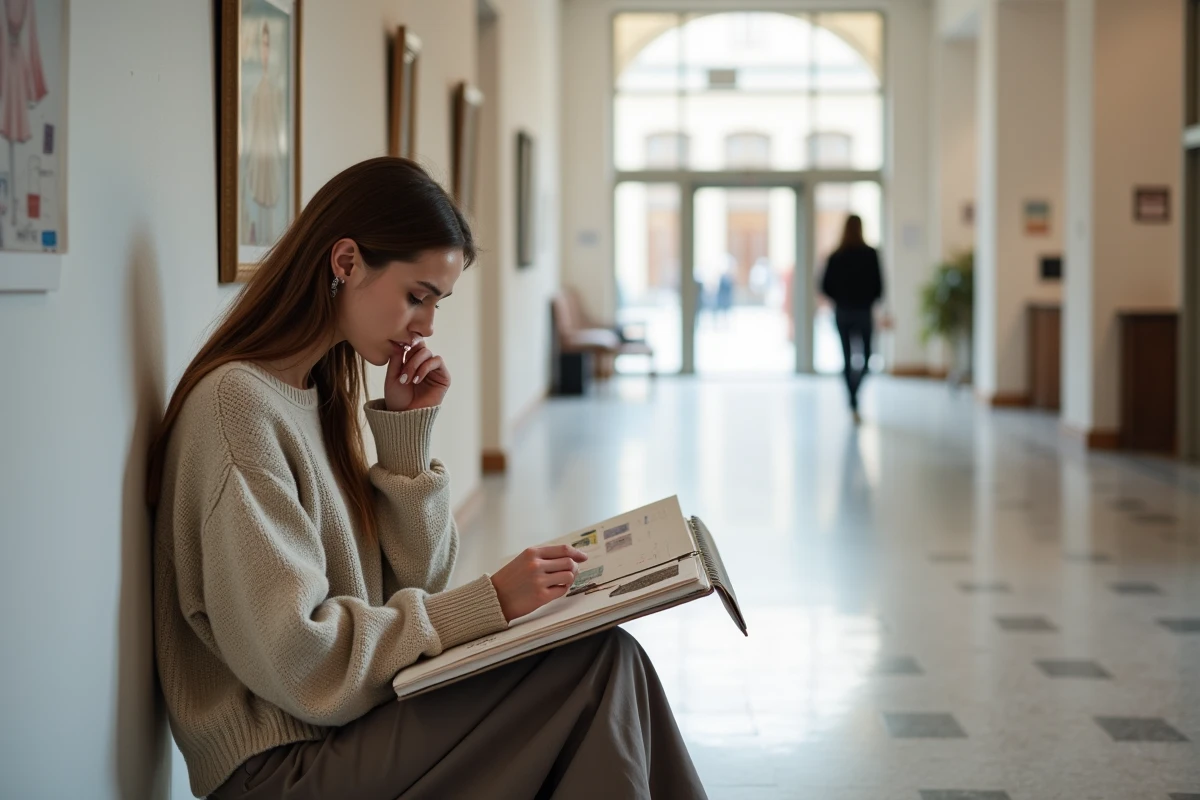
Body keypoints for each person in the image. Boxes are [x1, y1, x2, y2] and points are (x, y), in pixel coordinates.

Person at [146, 157, 707, 800]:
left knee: (614, 656)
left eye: (436, 303)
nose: (427, 325)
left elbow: (414, 585)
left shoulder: (317, 393)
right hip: (280, 766)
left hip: (344, 728)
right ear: (347, 262)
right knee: (595, 668)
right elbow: (303, 663)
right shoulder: (236, 409)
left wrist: (405, 447)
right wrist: (489, 603)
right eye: (418, 296)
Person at [820, 214, 883, 421]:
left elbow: (824, 286)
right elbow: (879, 287)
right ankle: (854, 398)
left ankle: (852, 397)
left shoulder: (837, 256)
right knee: (863, 359)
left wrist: (841, 298)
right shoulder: (869, 254)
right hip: (861, 311)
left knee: (851, 359)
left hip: (846, 311)